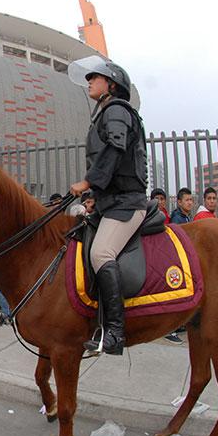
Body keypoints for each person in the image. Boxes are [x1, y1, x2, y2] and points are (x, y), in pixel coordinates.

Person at [68, 56, 146, 355]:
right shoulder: (104, 113)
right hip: (109, 203)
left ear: (111, 84)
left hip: (127, 204)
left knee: (101, 253)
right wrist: (93, 199)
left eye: (94, 77)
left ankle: (115, 332)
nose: (89, 81)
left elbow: (116, 149)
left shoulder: (116, 110)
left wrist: (87, 183)